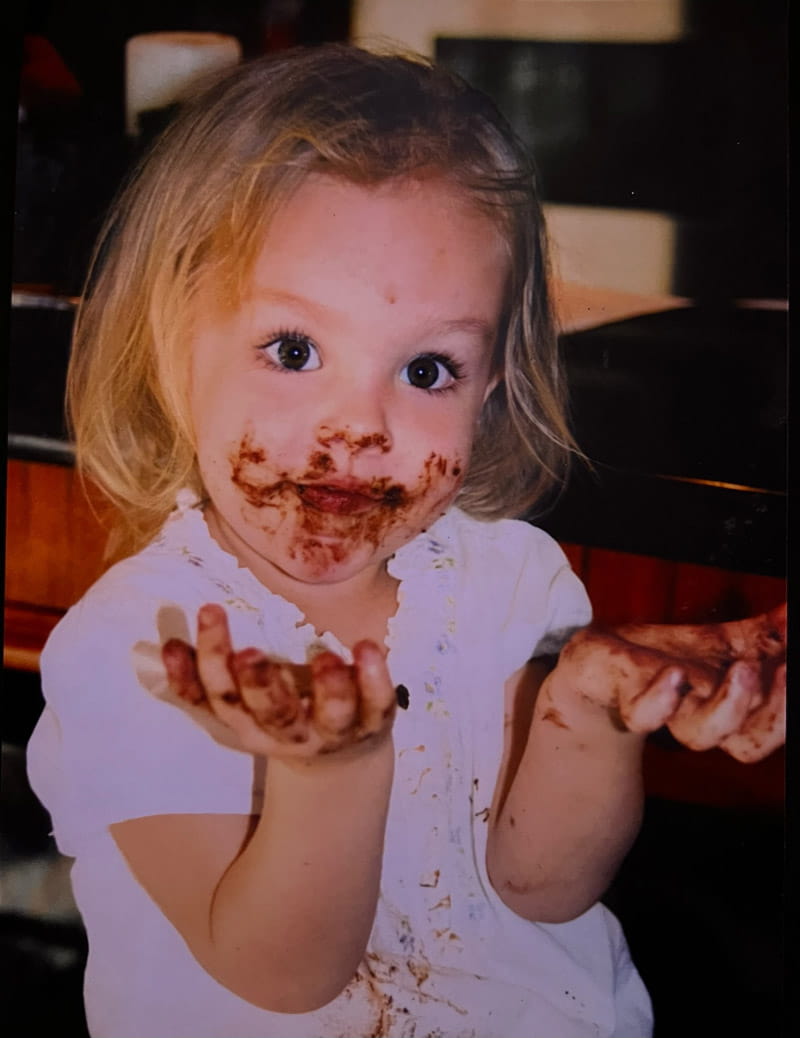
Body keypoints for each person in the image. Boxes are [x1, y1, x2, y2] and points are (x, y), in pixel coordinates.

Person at [26, 43, 785, 1038]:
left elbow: (542, 887)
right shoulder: (148, 648)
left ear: (492, 382)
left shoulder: (509, 582)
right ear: (176, 341)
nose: (358, 429)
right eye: (293, 350)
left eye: (427, 370)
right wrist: (332, 772)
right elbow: (281, 976)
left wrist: (590, 708)